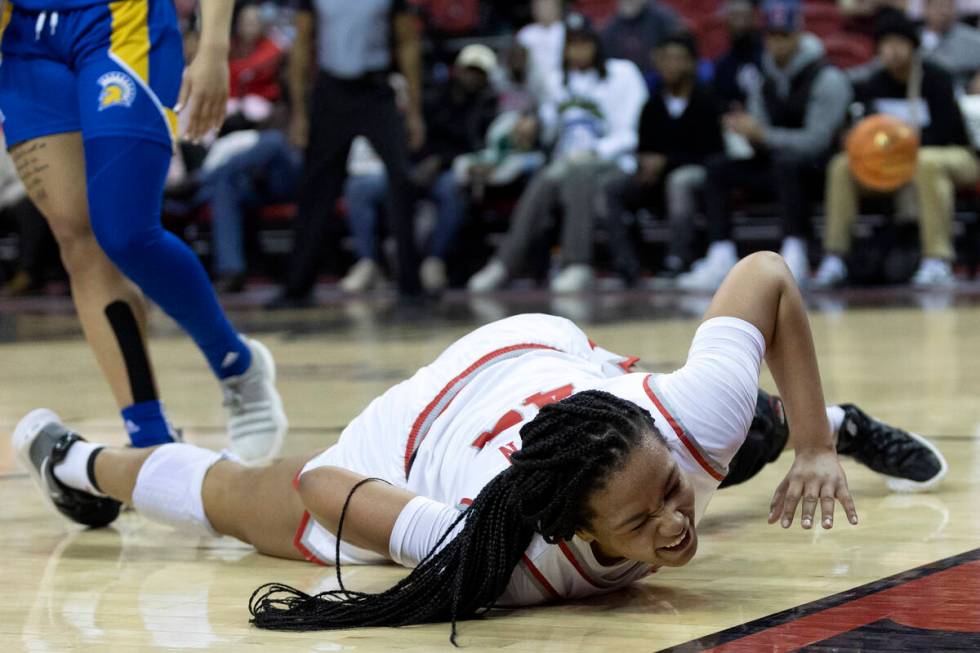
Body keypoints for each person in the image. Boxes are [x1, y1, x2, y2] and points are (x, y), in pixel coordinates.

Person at [14, 252, 947, 642]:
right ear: (570, 529)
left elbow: (766, 274)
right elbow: (323, 476)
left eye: (666, 492)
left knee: (729, 423)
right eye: (641, 517)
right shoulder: (492, 553)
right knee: (248, 502)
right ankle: (76, 460)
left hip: (541, 351)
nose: (676, 521)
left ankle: (830, 425)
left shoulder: (676, 423)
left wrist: (816, 444)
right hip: (418, 428)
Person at [0, 0, 287, 461]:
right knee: (79, 243)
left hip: (120, 21)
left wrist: (213, 47)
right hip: (24, 39)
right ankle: (151, 439)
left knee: (125, 232)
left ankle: (237, 365)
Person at [678, 0, 853, 291]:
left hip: (818, 170)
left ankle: (796, 252)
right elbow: (759, 133)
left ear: (798, 35)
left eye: (783, 35)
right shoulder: (764, 76)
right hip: (775, 164)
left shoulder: (827, 77)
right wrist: (744, 131)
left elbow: (816, 141)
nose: (776, 43)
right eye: (770, 36)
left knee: (788, 163)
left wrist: (763, 135)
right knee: (718, 168)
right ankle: (720, 253)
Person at [468, 13, 648, 294]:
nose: (577, 51)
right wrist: (533, 124)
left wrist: (591, 152)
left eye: (583, 44)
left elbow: (630, 133)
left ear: (597, 44)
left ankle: (578, 263)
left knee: (578, 169)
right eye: (571, 45)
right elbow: (551, 131)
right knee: (543, 180)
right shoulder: (557, 81)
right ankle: (504, 264)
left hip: (614, 163)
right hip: (566, 165)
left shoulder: (622, 74)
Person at [268, 0, 426, 308]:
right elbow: (302, 45)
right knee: (315, 188)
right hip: (332, 90)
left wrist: (415, 111)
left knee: (403, 181)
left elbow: (408, 43)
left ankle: (411, 285)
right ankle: (297, 287)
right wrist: (300, 113)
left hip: (376, 89)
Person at [813, 10, 980, 288]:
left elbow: (948, 134)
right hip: (893, 164)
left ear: (912, 47)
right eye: (886, 45)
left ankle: (937, 259)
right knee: (842, 165)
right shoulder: (874, 85)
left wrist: (898, 142)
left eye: (899, 43)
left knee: (926, 162)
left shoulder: (935, 78)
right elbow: (866, 133)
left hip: (953, 155)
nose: (892, 51)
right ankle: (835, 257)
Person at [603, 33, 725, 283]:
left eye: (678, 58)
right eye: (666, 58)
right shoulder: (652, 104)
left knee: (679, 182)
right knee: (612, 188)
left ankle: (677, 258)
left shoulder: (707, 101)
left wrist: (666, 161)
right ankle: (627, 262)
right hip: (655, 179)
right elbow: (644, 146)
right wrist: (644, 163)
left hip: (695, 177)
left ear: (692, 63)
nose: (671, 65)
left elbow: (713, 154)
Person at [601, 0, 682, 76]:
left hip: (659, 80)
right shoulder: (611, 27)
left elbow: (678, 50)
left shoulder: (663, 18)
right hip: (624, 82)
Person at [712, 0, 766, 108]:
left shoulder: (768, 57)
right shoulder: (722, 64)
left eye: (744, 16)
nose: (740, 23)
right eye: (735, 17)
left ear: (754, 19)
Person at [517, 0, 567, 104]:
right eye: (539, 6)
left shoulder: (566, 31)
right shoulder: (525, 34)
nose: (544, 10)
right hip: (531, 86)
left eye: (548, 5)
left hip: (562, 83)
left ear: (558, 8)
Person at [920, 0, 980, 87]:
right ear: (925, 9)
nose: (944, 12)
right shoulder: (911, 37)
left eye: (948, 6)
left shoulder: (973, 40)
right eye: (938, 6)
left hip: (959, 92)